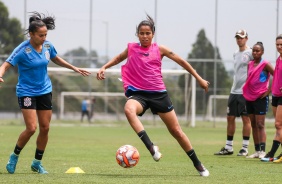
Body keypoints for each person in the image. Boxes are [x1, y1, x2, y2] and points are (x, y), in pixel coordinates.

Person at [97, 14, 210, 177]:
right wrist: (104, 67)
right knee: (129, 109)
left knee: (176, 131)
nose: (144, 36)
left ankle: (198, 164)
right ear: (137, 34)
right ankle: (151, 147)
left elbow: (182, 62)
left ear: (153, 34)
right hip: (139, 95)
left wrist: (199, 78)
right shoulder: (131, 48)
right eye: (141, 33)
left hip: (159, 95)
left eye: (148, 33)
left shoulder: (160, 49)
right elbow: (118, 58)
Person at [0, 12, 91, 174]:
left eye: (45, 35)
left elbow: (56, 58)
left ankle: (37, 163)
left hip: (44, 91)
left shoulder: (48, 46)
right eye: (40, 35)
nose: (44, 38)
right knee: (31, 128)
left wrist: (74, 68)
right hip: (26, 92)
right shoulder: (22, 49)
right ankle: (14, 156)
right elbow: (6, 65)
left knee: (45, 127)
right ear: (31, 34)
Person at [214, 29, 252, 156]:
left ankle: (245, 148)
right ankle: (228, 147)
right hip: (234, 91)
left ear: (246, 38)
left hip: (245, 92)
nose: (239, 39)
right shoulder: (236, 53)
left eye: (241, 37)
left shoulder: (251, 52)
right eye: (237, 37)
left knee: (246, 118)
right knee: (230, 118)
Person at [242, 42, 274, 158]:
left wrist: (269, 91)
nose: (255, 53)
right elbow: (248, 79)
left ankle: (263, 151)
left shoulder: (265, 64)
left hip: (261, 98)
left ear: (262, 52)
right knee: (254, 124)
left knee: (260, 124)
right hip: (249, 98)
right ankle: (256, 150)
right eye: (254, 51)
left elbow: (276, 76)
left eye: (258, 51)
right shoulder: (249, 64)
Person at [261, 34, 282, 162]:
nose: (279, 47)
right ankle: (275, 153)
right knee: (279, 126)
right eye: (277, 44)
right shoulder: (279, 59)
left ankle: (271, 153)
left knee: (278, 124)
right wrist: (270, 90)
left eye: (281, 44)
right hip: (275, 94)